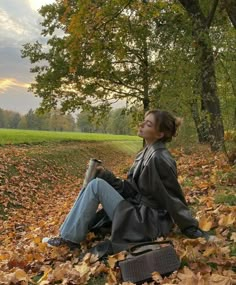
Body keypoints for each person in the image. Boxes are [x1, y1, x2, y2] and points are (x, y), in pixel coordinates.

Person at [43, 109, 208, 253]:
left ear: (160, 134)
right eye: (144, 121)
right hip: (137, 210)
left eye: (148, 124)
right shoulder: (146, 152)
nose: (142, 125)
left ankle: (69, 239)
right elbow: (131, 190)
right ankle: (67, 236)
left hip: (146, 221)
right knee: (96, 182)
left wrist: (191, 229)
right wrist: (107, 176)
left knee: (95, 186)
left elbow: (173, 198)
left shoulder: (160, 158)